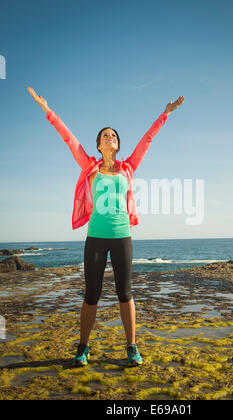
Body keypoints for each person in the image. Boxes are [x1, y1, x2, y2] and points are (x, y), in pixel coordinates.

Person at [27, 86, 184, 367]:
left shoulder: (128, 167)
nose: (110, 137)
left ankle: (132, 347)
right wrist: (47, 110)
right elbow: (68, 138)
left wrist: (165, 114)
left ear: (117, 144)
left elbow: (147, 140)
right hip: (96, 238)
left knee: (125, 293)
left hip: (122, 236)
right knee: (92, 294)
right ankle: (83, 347)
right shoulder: (89, 166)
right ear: (99, 145)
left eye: (113, 135)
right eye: (105, 135)